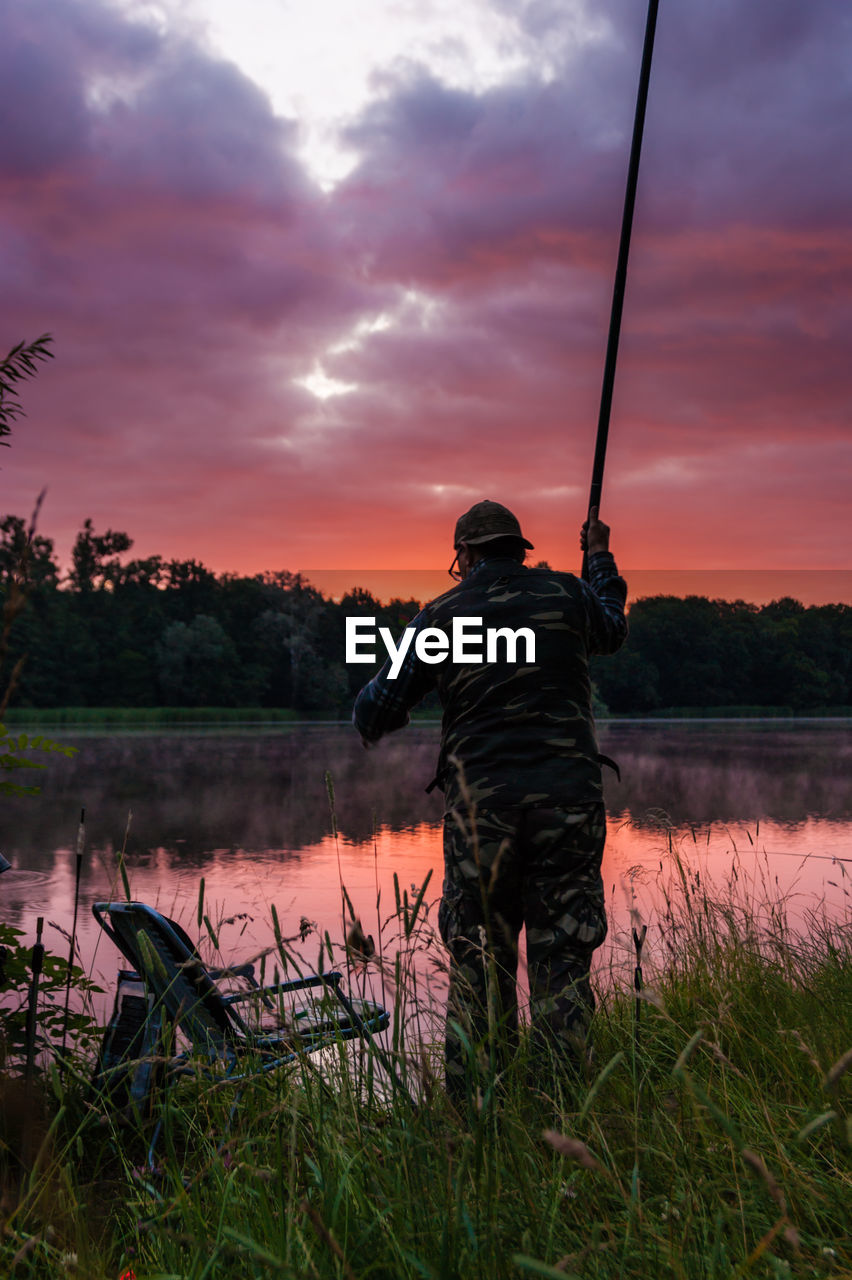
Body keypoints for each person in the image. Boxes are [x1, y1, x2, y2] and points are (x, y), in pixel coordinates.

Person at [353, 499, 627, 1100]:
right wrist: (599, 556)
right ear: (519, 549)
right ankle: (561, 1118)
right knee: (563, 959)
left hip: (482, 818)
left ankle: (481, 1118)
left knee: (480, 961)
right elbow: (613, 623)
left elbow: (373, 711)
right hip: (568, 808)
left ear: (465, 556)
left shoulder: (440, 617)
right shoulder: (568, 596)